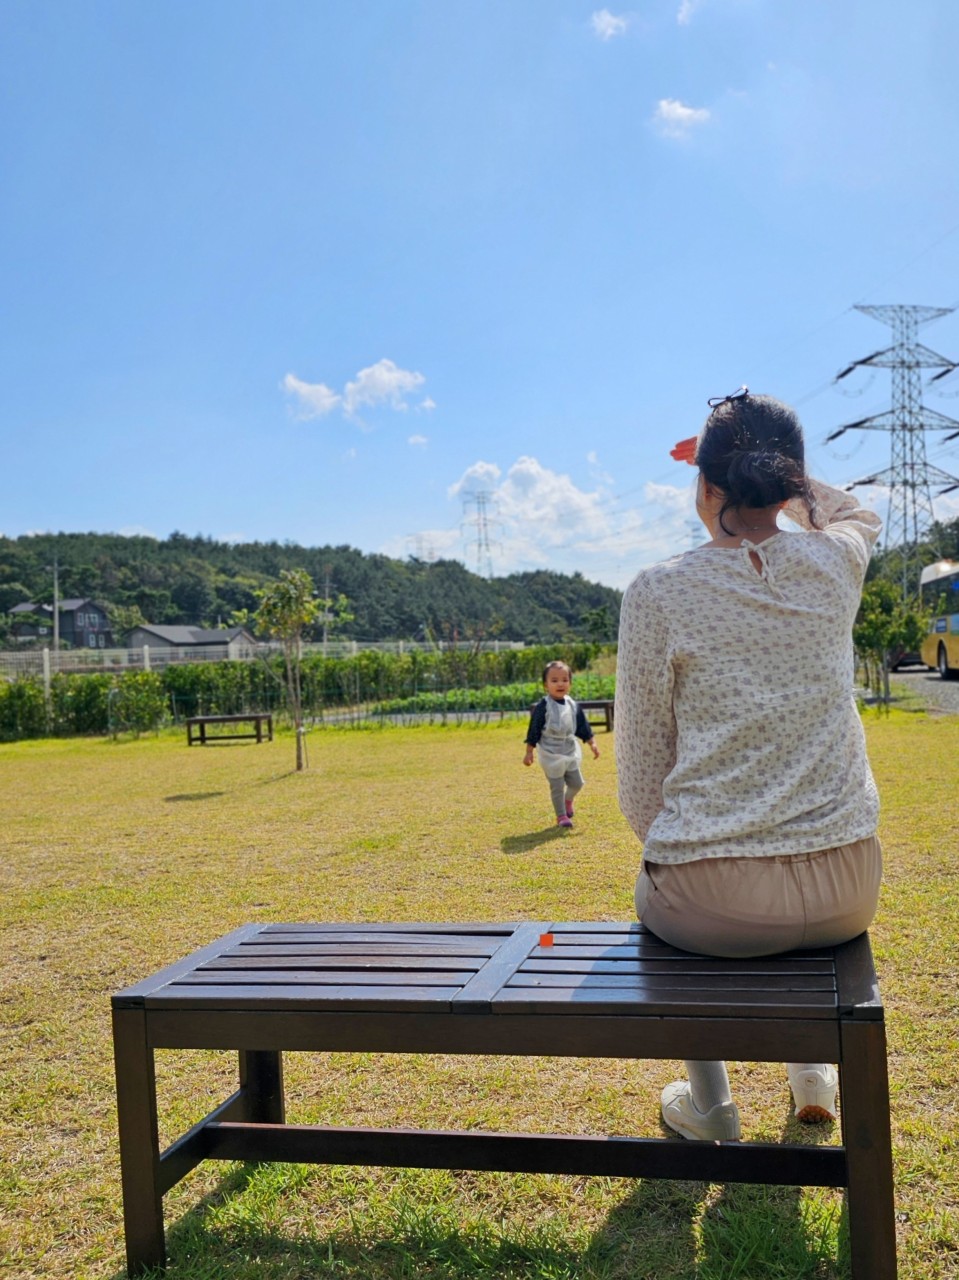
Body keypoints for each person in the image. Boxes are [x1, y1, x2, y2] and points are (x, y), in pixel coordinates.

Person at [615, 388, 883, 1141]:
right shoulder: (835, 563)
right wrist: (790, 480)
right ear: (788, 484)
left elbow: (640, 778)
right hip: (846, 885)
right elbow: (858, 511)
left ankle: (713, 1111)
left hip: (712, 902)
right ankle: (810, 1077)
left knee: (654, 890)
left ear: (704, 484)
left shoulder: (659, 589)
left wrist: (680, 851)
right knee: (798, 932)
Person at [524, 659, 601, 827]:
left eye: (565, 680)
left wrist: (592, 743)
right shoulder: (543, 706)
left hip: (569, 749)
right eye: (554, 680)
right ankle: (561, 816)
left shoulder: (572, 705)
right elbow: (534, 729)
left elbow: (582, 726)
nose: (560, 684)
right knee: (557, 786)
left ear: (570, 683)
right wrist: (529, 751)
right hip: (550, 753)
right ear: (546, 685)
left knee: (577, 783)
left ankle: (568, 801)